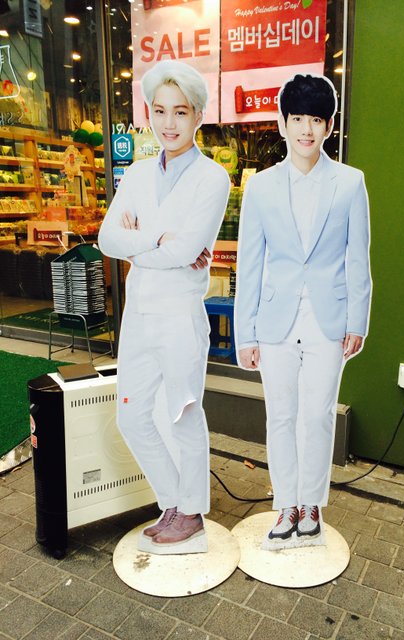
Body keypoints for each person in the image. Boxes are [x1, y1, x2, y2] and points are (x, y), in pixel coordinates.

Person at [98, 61, 230, 547]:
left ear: (198, 115)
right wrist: (156, 239)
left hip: (179, 318)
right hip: (139, 314)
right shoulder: (135, 174)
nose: (168, 123)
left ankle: (190, 512)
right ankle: (174, 500)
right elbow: (107, 239)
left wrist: (138, 244)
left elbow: (186, 249)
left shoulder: (213, 179)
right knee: (132, 417)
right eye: (159, 111)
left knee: (183, 416)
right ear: (149, 113)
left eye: (180, 111)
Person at [235, 73, 371, 543]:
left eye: (316, 119)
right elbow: (250, 263)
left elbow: (359, 258)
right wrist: (245, 333)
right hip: (275, 320)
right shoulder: (261, 187)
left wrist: (358, 320)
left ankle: (311, 503)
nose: (306, 129)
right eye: (298, 119)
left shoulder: (350, 183)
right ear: (283, 123)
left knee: (317, 415)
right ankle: (285, 504)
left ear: (329, 126)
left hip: (328, 320)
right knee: (280, 416)